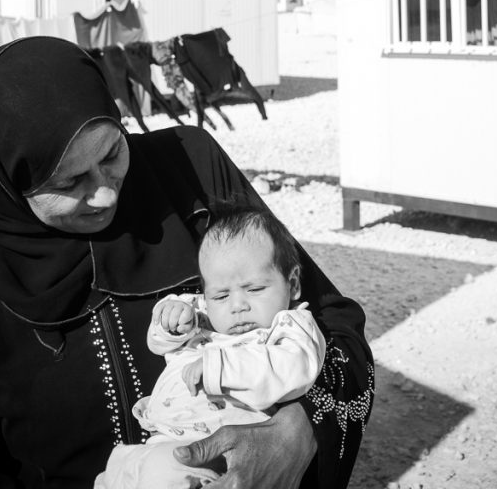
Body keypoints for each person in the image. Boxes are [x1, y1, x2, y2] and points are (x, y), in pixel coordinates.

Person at [0, 36, 374, 488]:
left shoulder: (190, 169)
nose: (107, 192)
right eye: (70, 184)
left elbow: (336, 325)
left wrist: (299, 432)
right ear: (6, 186)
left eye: (112, 152)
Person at [96, 201, 327, 488]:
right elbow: (158, 344)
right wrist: (170, 321)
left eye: (255, 289)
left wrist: (220, 367)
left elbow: (296, 370)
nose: (237, 306)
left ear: (292, 284)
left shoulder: (291, 326)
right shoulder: (203, 315)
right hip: (152, 444)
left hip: (207, 453)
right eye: (220, 296)